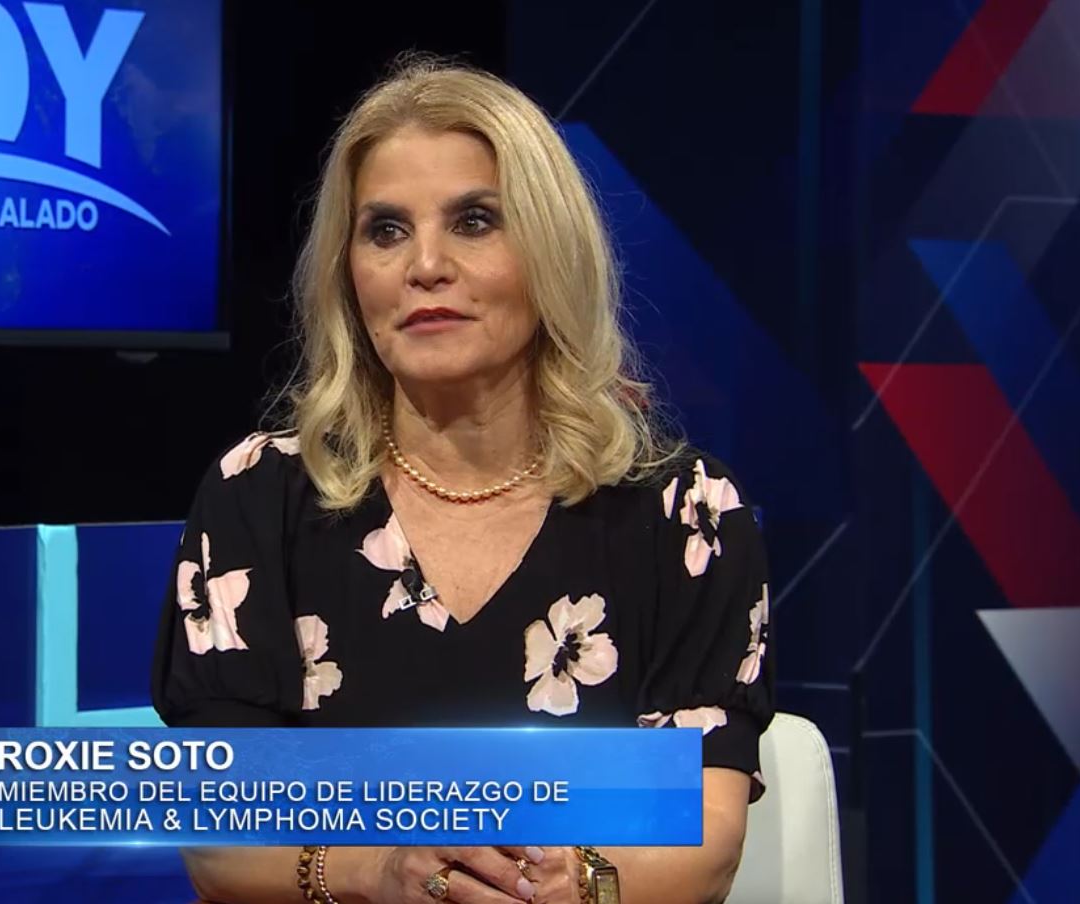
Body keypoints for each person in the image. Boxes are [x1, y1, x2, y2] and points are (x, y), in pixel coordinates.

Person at [151, 57, 772, 904]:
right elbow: (220, 843)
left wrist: (563, 886)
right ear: (348, 272)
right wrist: (375, 872)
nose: (425, 265)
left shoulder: (685, 514)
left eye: (475, 220)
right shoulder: (257, 494)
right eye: (385, 230)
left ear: (550, 251)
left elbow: (705, 839)